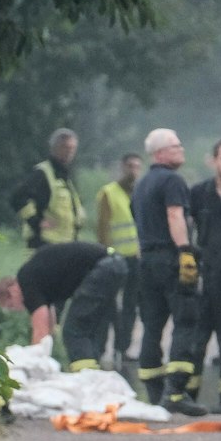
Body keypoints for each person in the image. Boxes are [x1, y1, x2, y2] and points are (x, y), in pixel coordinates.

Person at [130, 128, 208, 416]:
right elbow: (175, 215)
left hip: (146, 261)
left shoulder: (141, 184)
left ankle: (153, 391)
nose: (182, 150)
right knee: (186, 321)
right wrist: (186, 251)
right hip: (170, 258)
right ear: (160, 153)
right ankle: (175, 391)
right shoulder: (173, 180)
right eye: (176, 146)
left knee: (152, 326)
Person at [0, 241, 124, 372]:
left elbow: (40, 330)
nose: (16, 309)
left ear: (12, 291)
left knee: (74, 331)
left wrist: (33, 365)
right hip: (114, 264)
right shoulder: (38, 281)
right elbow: (48, 325)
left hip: (102, 268)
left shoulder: (26, 281)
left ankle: (86, 376)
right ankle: (95, 372)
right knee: (91, 328)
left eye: (11, 306)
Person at [184, 137, 221, 411]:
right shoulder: (199, 193)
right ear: (214, 161)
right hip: (206, 271)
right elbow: (186, 225)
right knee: (197, 337)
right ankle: (189, 394)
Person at [95, 153, 143, 364]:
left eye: (137, 167)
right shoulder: (109, 193)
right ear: (122, 168)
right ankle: (102, 347)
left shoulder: (140, 192)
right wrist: (105, 253)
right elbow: (103, 226)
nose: (133, 171)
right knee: (110, 305)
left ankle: (123, 348)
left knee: (131, 305)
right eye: (130, 166)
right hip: (115, 257)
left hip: (135, 256)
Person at [9, 128, 86, 249]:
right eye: (65, 147)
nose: (69, 152)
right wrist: (36, 222)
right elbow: (17, 197)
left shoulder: (64, 176)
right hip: (44, 244)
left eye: (72, 148)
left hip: (66, 243)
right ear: (54, 148)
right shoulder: (43, 173)